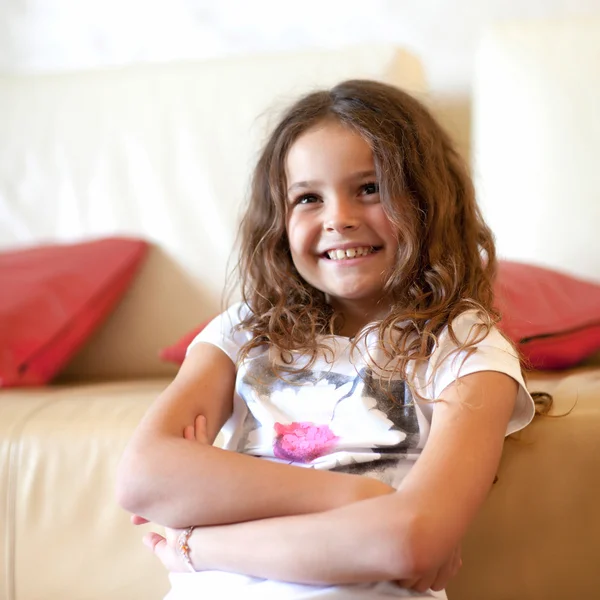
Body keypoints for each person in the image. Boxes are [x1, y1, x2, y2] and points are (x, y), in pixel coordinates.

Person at [116, 79, 535, 599]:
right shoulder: (245, 330)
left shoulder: (465, 348)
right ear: (279, 220)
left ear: (429, 202)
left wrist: (195, 548)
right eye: (308, 198)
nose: (339, 218)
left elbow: (408, 543)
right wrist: (360, 498)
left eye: (370, 188)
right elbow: (142, 478)